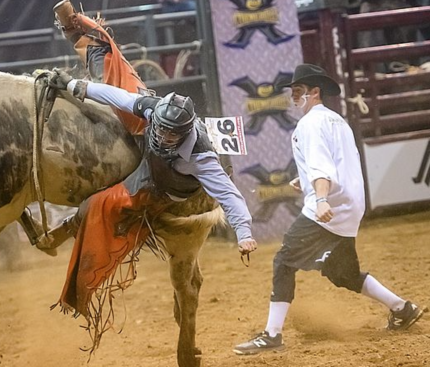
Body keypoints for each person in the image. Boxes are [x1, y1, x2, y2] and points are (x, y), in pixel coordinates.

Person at [41, 0, 258, 325]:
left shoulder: (201, 155)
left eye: (173, 136)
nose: (166, 137)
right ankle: (77, 30)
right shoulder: (153, 109)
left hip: (163, 186)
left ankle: (75, 232)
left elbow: (228, 194)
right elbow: (115, 96)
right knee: (112, 74)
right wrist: (73, 86)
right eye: (164, 131)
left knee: (101, 206)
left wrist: (243, 233)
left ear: (184, 134)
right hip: (146, 145)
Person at [233, 64, 425, 355]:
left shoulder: (309, 125)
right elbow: (337, 161)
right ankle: (403, 308)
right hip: (349, 205)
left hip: (329, 206)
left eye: (298, 92)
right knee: (343, 273)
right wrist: (308, 181)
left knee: (284, 261)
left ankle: (272, 334)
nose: (294, 97)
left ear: (314, 92)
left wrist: (320, 198)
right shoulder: (336, 120)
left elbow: (323, 167)